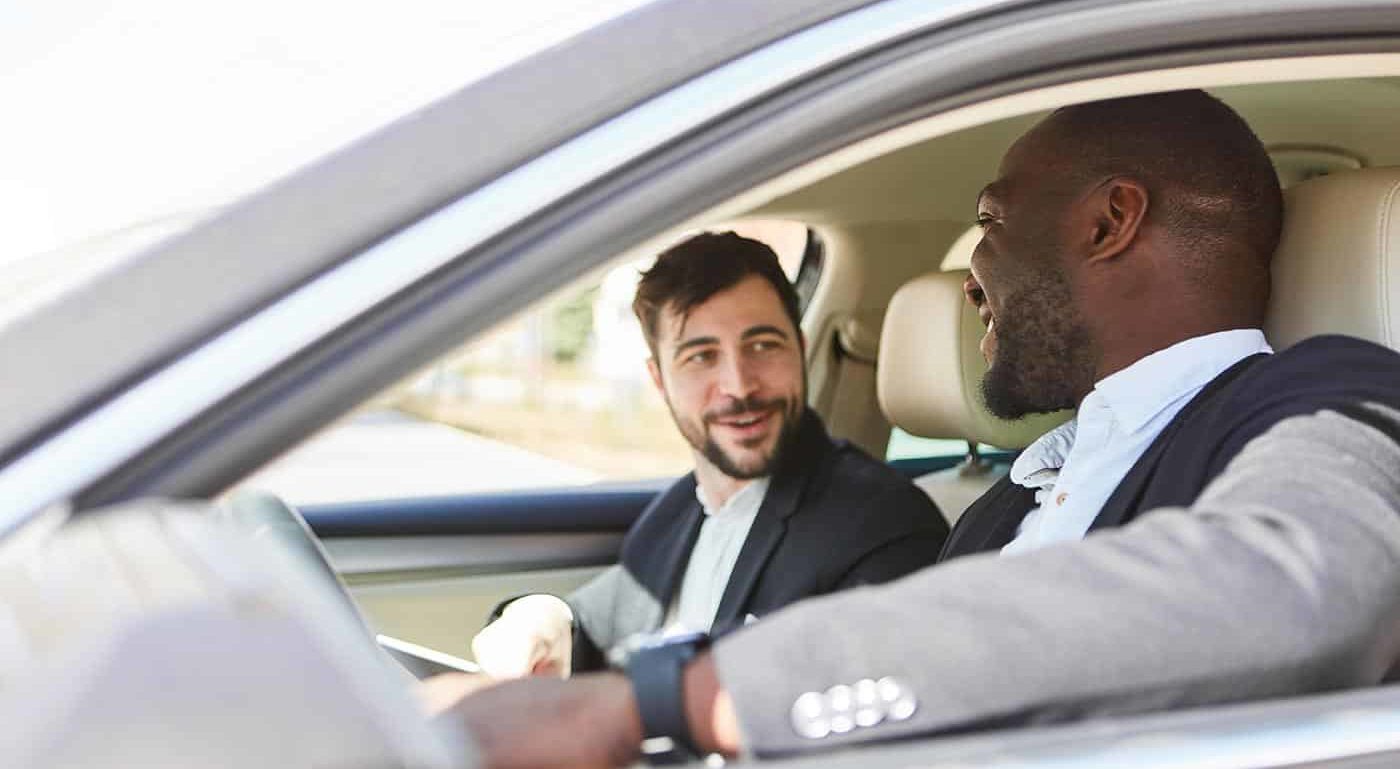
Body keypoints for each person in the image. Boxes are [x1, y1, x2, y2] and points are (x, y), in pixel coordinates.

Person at [434, 90, 1400, 766]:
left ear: (1110, 222)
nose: (968, 272)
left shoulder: (1330, 397)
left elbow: (1293, 590)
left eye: (989, 221)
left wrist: (663, 702)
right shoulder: (1011, 497)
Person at [470, 231, 948, 678]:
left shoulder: (881, 525)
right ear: (660, 380)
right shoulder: (681, 510)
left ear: (799, 350)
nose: (739, 386)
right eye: (700, 356)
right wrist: (540, 615)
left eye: (763, 345)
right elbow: (598, 618)